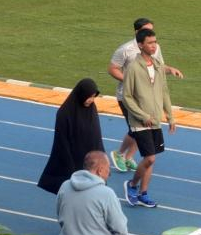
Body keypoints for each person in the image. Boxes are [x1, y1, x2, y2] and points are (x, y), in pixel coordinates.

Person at [57, 151, 151, 235]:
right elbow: (121, 232)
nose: (109, 174)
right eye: (108, 170)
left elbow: (60, 218)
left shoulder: (65, 185)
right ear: (100, 170)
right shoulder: (106, 193)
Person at [108, 18, 183, 174]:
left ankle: (128, 157)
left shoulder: (155, 48)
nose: (151, 35)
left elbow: (159, 67)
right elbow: (113, 69)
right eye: (147, 31)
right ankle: (120, 153)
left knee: (144, 128)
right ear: (137, 33)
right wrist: (133, 81)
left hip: (148, 97)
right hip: (128, 96)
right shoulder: (125, 50)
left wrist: (171, 70)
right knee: (137, 128)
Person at [121, 28, 177, 208]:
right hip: (140, 122)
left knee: (151, 158)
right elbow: (127, 96)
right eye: (150, 43)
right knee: (150, 158)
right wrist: (142, 115)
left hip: (155, 120)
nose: (154, 46)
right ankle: (131, 184)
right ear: (140, 45)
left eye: (155, 42)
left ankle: (143, 193)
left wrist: (170, 116)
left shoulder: (159, 65)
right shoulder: (133, 67)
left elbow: (164, 91)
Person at [38, 79, 104, 194]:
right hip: (72, 162)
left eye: (94, 97)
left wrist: (102, 158)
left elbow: (97, 135)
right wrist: (70, 168)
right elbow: (61, 143)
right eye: (89, 96)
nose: (91, 100)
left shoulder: (91, 109)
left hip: (89, 162)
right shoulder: (64, 114)